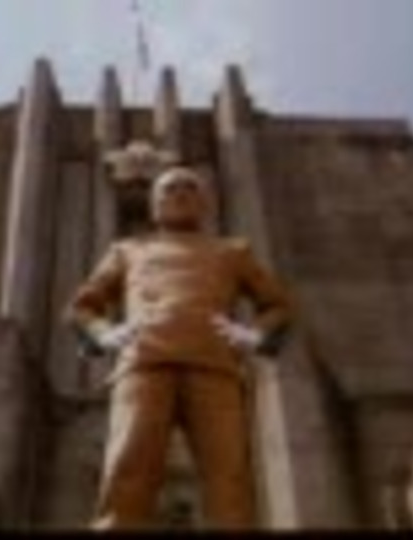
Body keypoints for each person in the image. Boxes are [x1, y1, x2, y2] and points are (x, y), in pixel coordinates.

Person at [65, 166, 293, 529]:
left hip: (214, 368)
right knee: (128, 466)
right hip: (144, 364)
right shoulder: (128, 250)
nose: (179, 194)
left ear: (205, 204)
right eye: (169, 189)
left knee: (230, 476)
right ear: (154, 205)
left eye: (189, 187)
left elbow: (278, 305)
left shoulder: (232, 251)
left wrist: (255, 335)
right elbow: (82, 306)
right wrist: (104, 333)